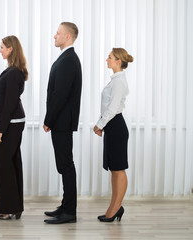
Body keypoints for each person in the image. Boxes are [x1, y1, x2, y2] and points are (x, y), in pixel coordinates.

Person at [43, 22, 82, 224]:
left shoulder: (68, 59)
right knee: (64, 164)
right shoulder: (66, 57)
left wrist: (48, 119)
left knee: (66, 164)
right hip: (61, 121)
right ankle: (66, 206)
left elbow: (60, 95)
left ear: (68, 37)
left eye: (58, 33)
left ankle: (69, 212)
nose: (54, 36)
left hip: (62, 122)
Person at [93, 48, 133, 222]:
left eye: (110, 57)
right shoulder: (115, 80)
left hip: (115, 126)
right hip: (112, 125)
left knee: (119, 168)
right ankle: (114, 206)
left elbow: (113, 107)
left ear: (118, 61)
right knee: (115, 169)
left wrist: (99, 124)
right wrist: (102, 124)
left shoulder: (118, 82)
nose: (106, 59)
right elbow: (108, 106)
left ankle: (116, 207)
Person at [0, 35, 28, 220]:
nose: (0, 50)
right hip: (14, 122)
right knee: (12, 164)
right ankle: (15, 207)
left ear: (11, 49)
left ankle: (8, 209)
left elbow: (9, 104)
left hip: (12, 124)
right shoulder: (12, 71)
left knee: (6, 166)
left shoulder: (14, 73)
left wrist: (1, 129)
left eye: (2, 47)